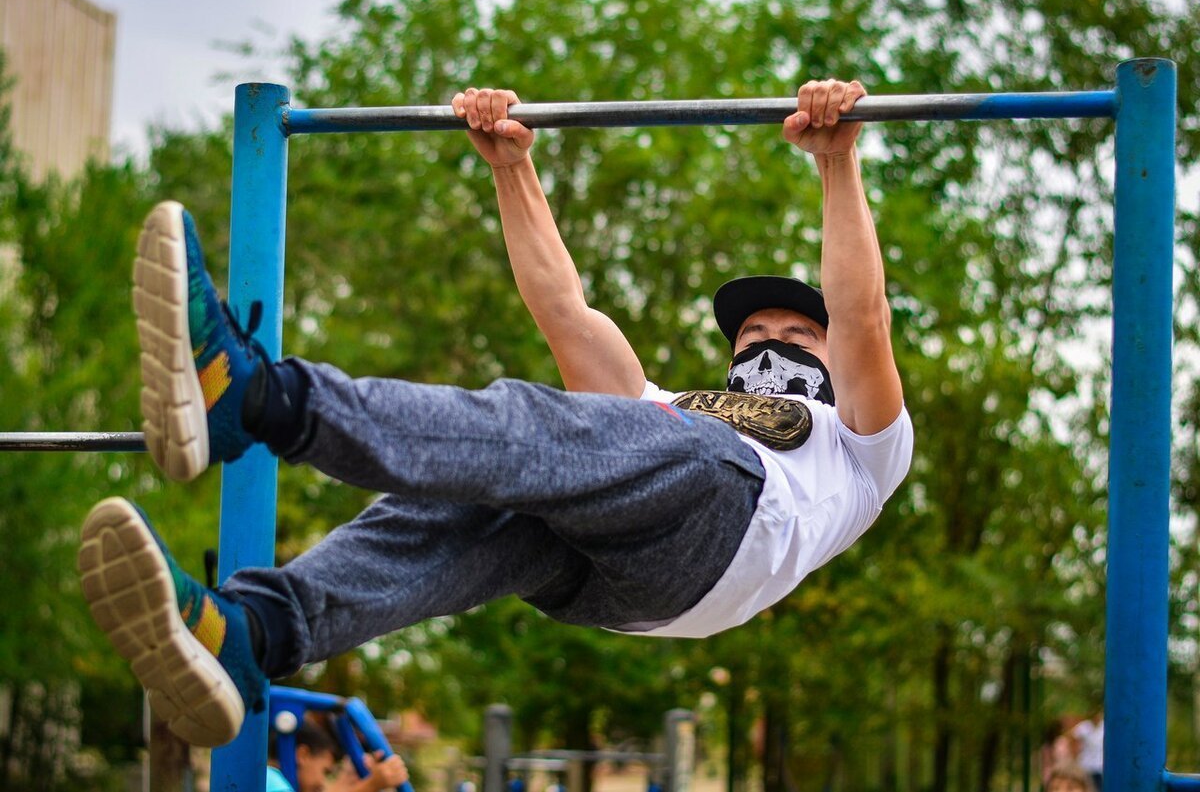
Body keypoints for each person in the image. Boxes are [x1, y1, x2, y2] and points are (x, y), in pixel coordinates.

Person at [76, 78, 912, 748]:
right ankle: (255, 632)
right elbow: (566, 314)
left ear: (832, 355)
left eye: (797, 333)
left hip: (733, 515)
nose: (770, 340)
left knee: (544, 426)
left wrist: (837, 164)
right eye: (754, 334)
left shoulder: (861, 446)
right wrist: (512, 167)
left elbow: (863, 313)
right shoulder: (664, 408)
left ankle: (260, 397)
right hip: (622, 584)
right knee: (480, 500)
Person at [266, 720, 409, 792]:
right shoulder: (273, 782)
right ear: (303, 755)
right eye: (325, 771)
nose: (322, 783)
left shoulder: (266, 778)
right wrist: (370, 785)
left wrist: (348, 778)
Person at [1070, 710, 1104, 791]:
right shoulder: (1084, 726)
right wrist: (1075, 755)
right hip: (1086, 764)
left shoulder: (1104, 726)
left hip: (1099, 765)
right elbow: (1073, 738)